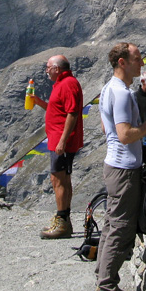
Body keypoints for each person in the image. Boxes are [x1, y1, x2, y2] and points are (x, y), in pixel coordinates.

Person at [94, 42, 146, 291]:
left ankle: (104, 285)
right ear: (122, 62)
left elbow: (106, 127)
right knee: (121, 228)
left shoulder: (108, 88)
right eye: (136, 59)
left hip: (115, 164)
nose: (141, 63)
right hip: (124, 170)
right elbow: (124, 134)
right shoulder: (122, 94)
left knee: (112, 226)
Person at [32, 55, 83, 240]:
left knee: (58, 179)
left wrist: (62, 140)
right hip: (58, 139)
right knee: (63, 178)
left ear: (57, 69)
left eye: (48, 67)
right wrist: (39, 102)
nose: (46, 70)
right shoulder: (61, 83)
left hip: (61, 141)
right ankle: (64, 219)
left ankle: (61, 222)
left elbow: (72, 113)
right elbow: (58, 111)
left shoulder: (68, 83)